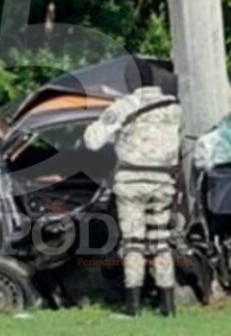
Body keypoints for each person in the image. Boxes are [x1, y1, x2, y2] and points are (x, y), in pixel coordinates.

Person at [83, 82, 181, 317]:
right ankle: (168, 307)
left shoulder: (125, 105)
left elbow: (92, 140)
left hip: (131, 185)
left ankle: (133, 308)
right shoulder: (175, 108)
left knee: (134, 243)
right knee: (161, 242)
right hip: (163, 183)